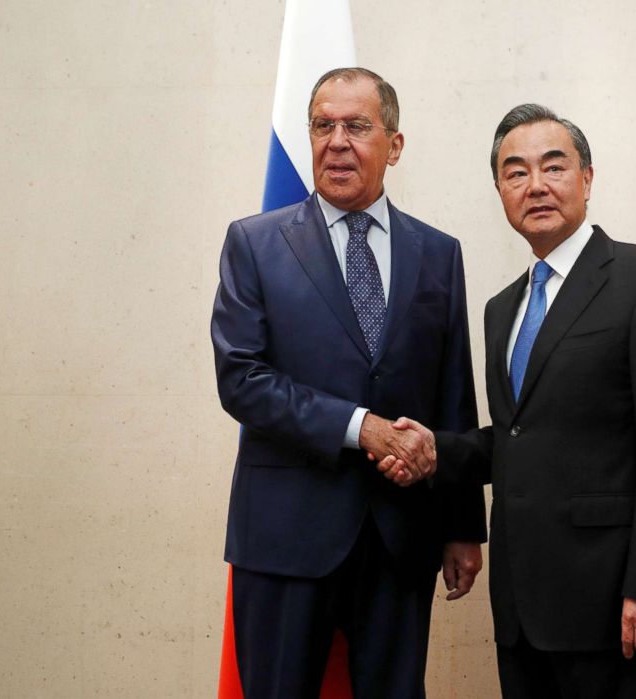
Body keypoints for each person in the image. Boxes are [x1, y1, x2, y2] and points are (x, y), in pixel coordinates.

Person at [378, 104, 636, 698]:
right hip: (521, 606)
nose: (536, 186)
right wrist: (432, 450)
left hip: (611, 603)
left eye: (553, 167)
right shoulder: (502, 308)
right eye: (515, 172)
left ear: (587, 177)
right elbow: (515, 436)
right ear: (501, 191)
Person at [210, 67, 486, 699]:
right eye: (322, 125)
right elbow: (242, 379)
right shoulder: (254, 244)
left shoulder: (438, 252)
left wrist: (462, 524)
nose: (336, 141)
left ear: (394, 144)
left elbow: (454, 392)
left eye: (357, 126)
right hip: (284, 536)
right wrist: (364, 428)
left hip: (399, 541)